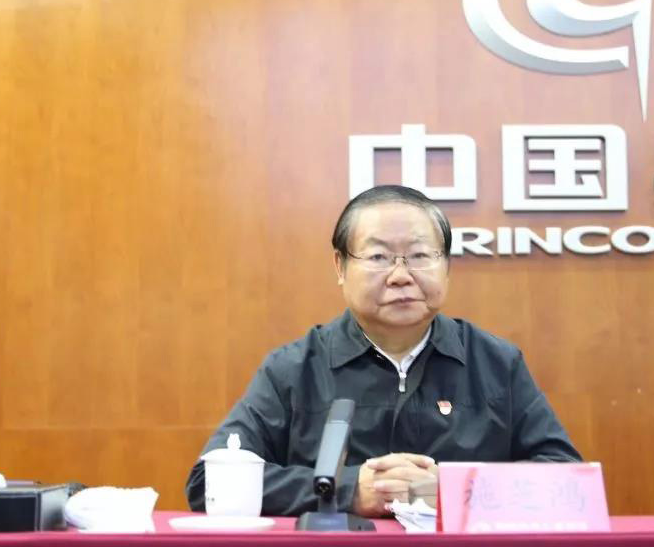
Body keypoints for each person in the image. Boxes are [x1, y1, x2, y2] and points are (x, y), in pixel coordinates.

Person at [185, 185, 580, 517]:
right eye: (378, 257)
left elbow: (567, 481)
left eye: (420, 256)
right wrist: (346, 490)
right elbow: (208, 484)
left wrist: (453, 490)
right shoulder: (294, 368)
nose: (401, 276)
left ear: (447, 266)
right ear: (340, 267)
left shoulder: (496, 363)